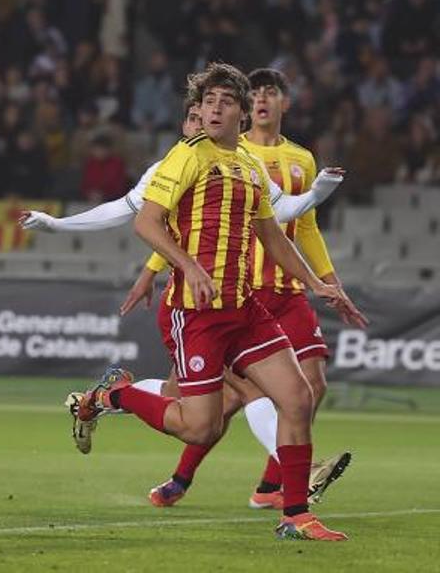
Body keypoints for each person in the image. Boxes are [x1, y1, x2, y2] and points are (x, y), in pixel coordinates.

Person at [68, 62, 366, 541]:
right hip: (196, 312)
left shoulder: (248, 166)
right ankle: (110, 395)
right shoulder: (185, 157)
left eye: (225, 102)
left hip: (244, 309)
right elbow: (146, 223)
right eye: (208, 101)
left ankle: (295, 516)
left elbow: (273, 235)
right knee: (200, 427)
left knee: (298, 396)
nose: (214, 109)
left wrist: (316, 282)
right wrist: (186, 265)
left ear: (242, 115)